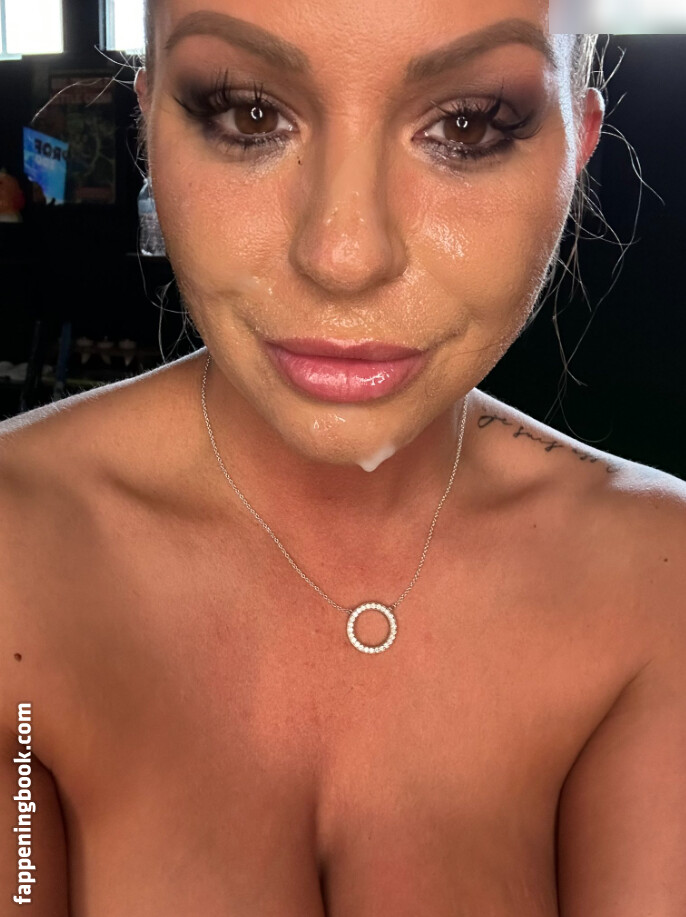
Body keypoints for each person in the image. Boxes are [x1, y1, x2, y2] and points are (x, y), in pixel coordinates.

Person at [1, 2, 684, 915]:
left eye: (468, 124)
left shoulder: (658, 585)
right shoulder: (17, 558)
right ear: (149, 121)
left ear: (579, 146)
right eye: (248, 112)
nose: (344, 257)